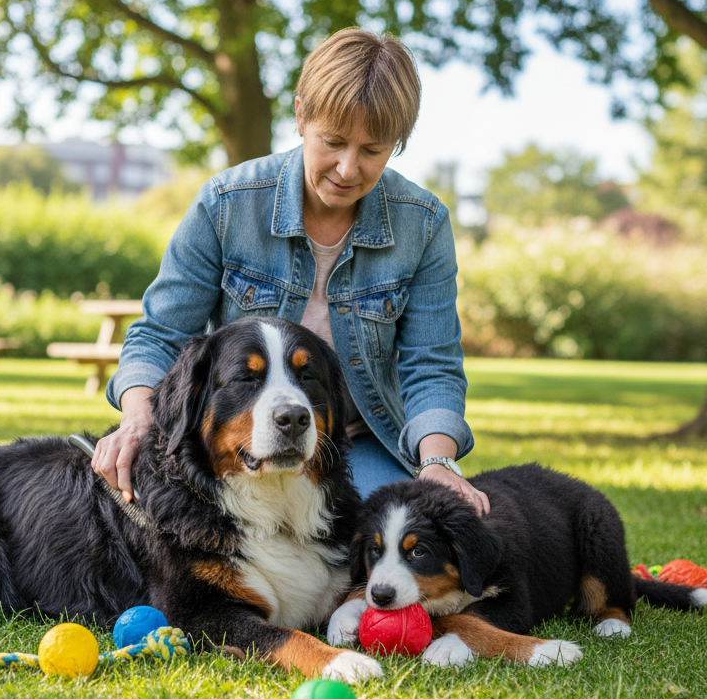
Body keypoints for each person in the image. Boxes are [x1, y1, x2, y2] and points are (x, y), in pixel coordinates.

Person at [93, 29, 489, 515]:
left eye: (372, 151)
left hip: (352, 442)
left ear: (399, 144)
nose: (347, 169)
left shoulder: (423, 224)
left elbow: (432, 364)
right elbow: (159, 335)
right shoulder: (225, 204)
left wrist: (436, 464)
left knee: (382, 538)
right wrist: (137, 419)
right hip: (245, 434)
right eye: (334, 142)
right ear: (301, 116)